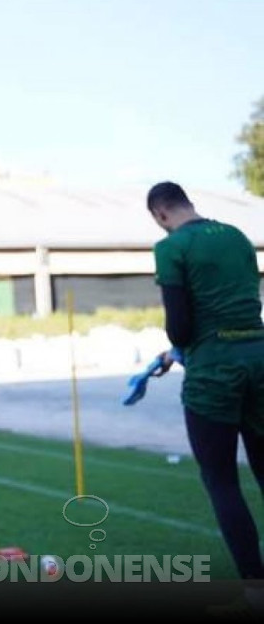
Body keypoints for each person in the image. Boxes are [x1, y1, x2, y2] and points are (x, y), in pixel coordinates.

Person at [145, 181, 264, 611]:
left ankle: (256, 592)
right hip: (259, 358)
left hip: (215, 371)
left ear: (160, 214)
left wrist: (179, 346)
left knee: (222, 481)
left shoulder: (171, 246)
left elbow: (180, 326)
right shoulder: (236, 236)